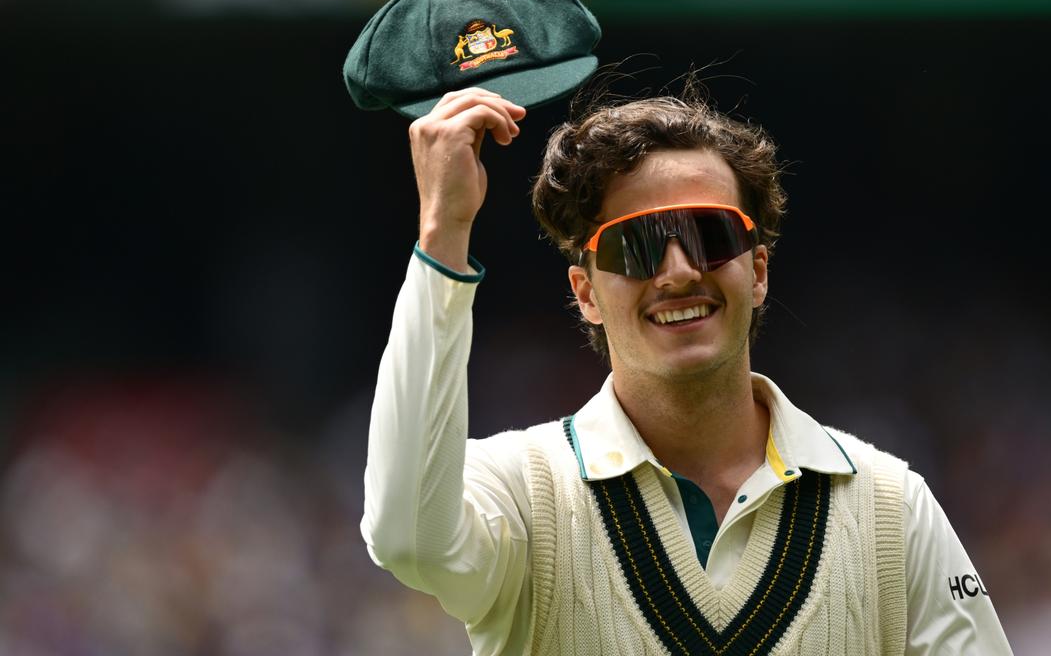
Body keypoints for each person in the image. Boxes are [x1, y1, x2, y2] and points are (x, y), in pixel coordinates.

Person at [361, 82, 1015, 655]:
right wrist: (443, 233)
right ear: (585, 292)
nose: (678, 271)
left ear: (756, 271)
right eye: (637, 245)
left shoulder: (891, 507)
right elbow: (409, 539)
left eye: (710, 234)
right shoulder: (518, 494)